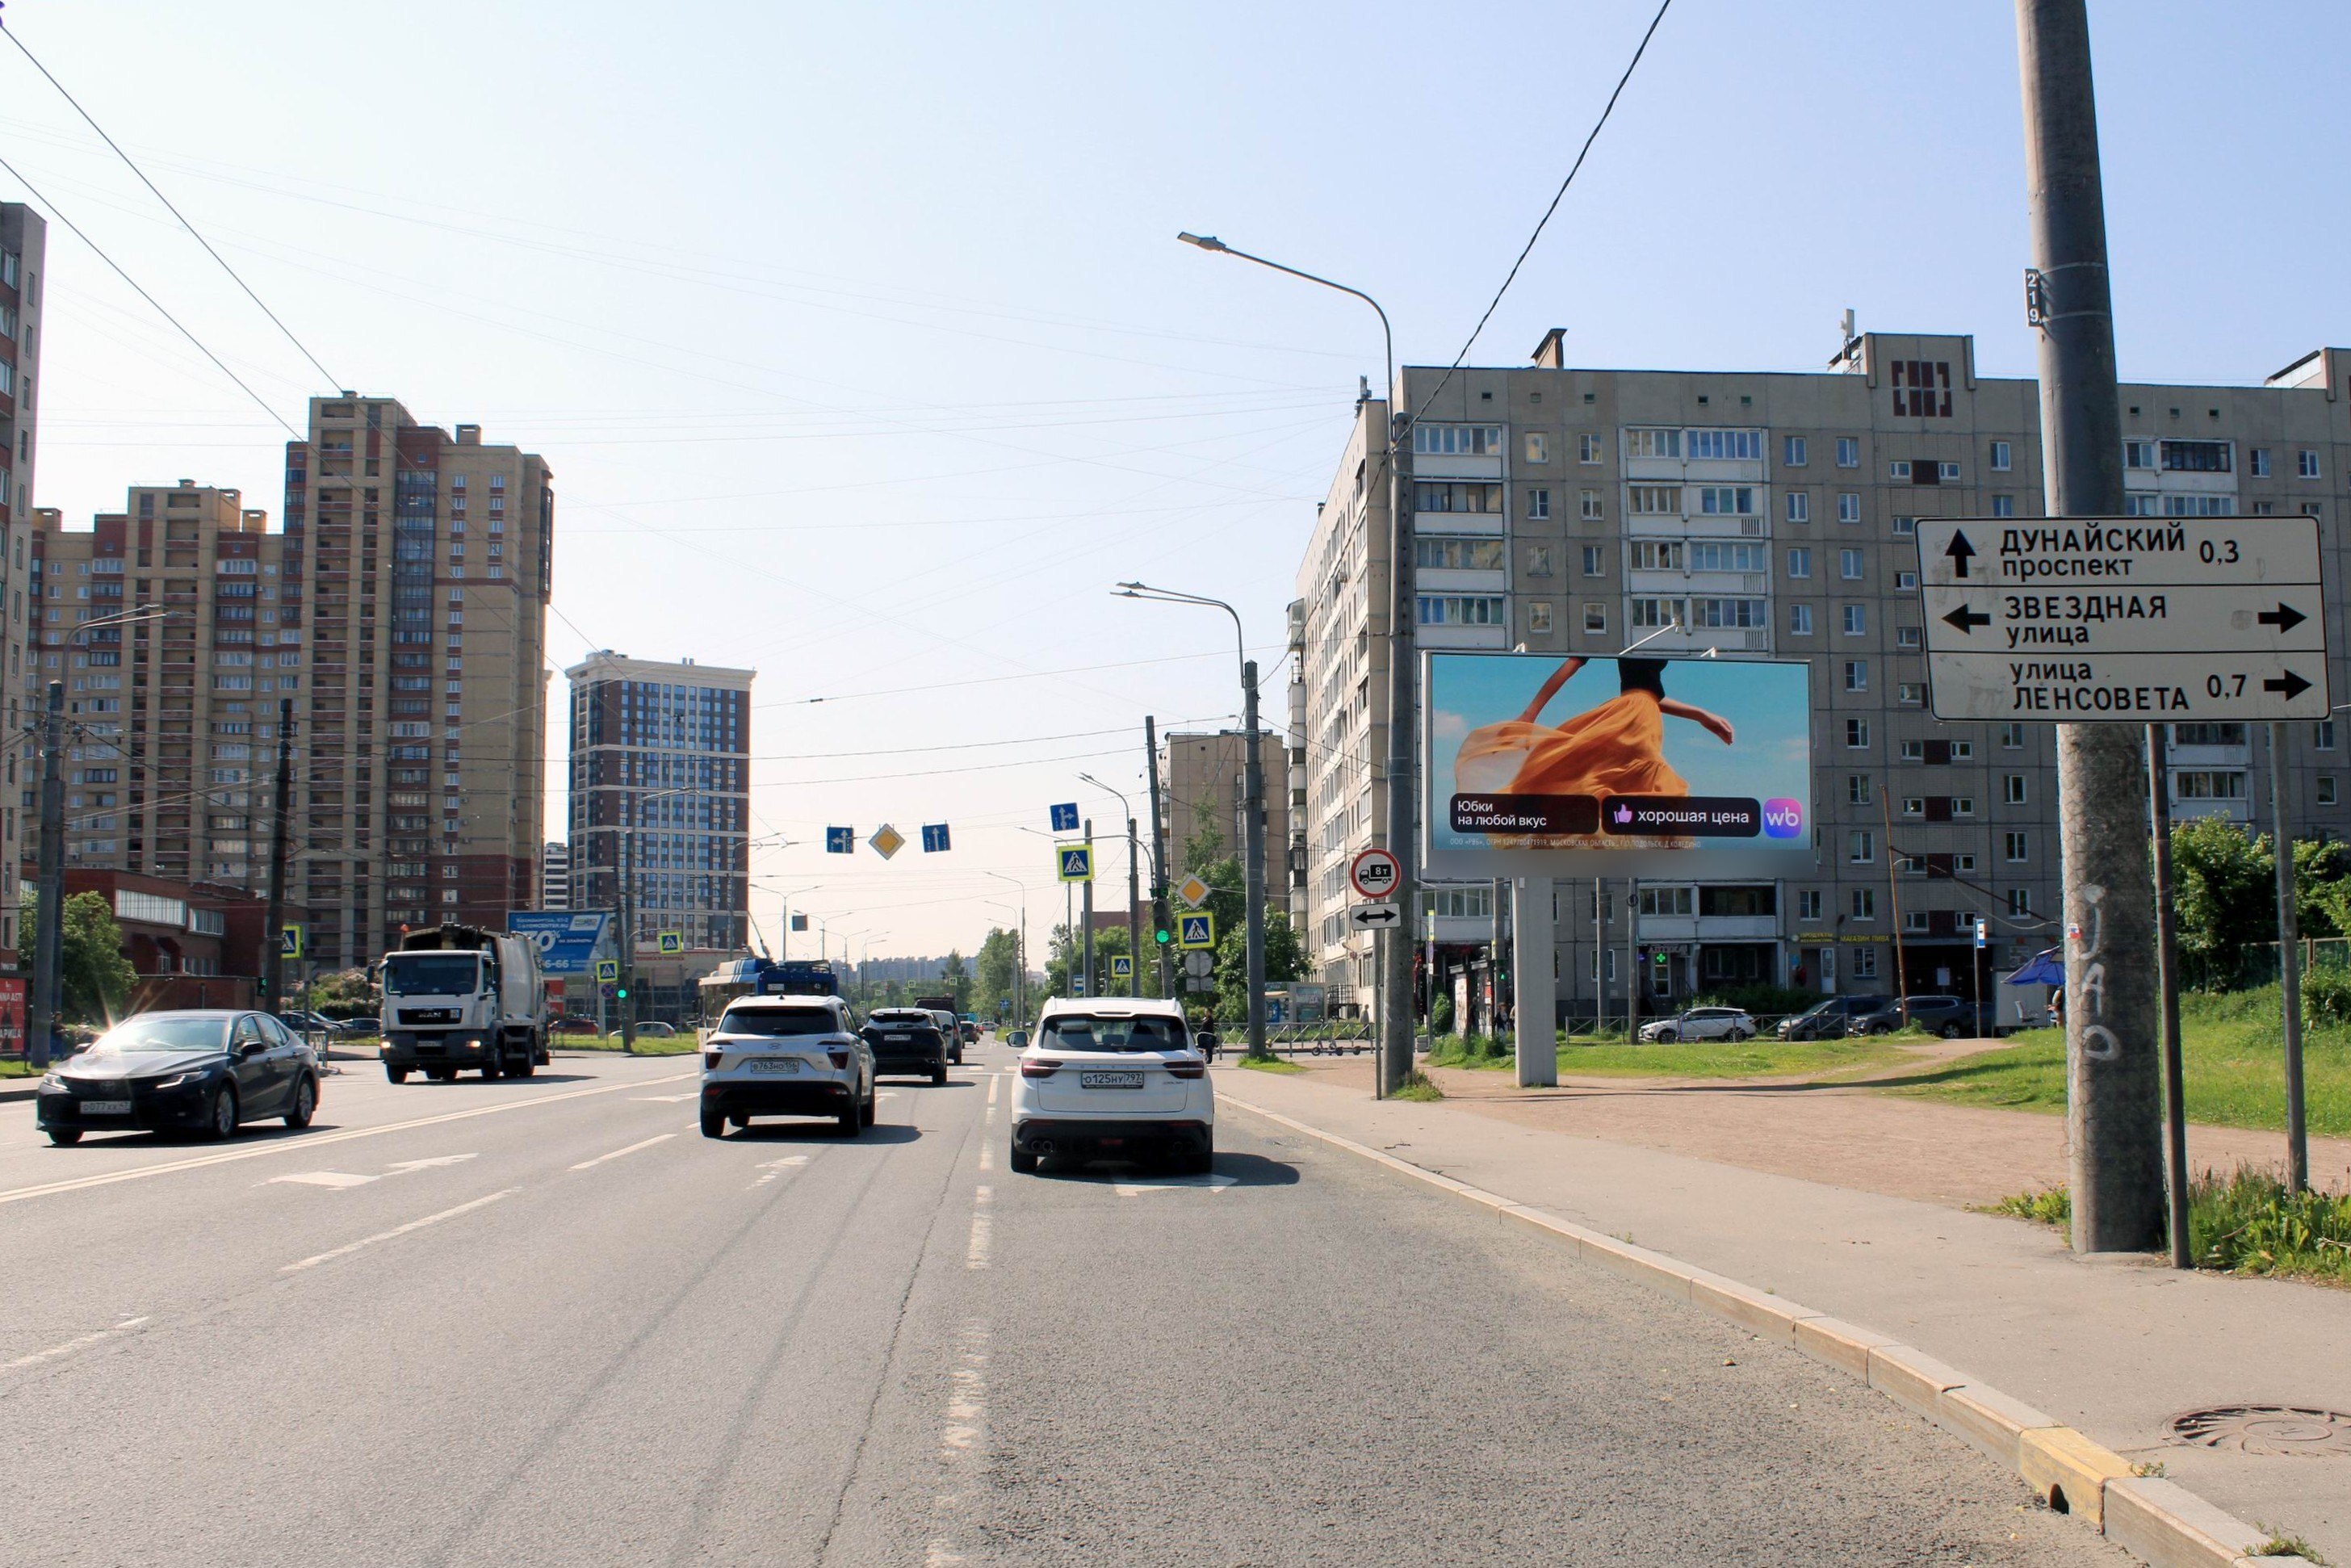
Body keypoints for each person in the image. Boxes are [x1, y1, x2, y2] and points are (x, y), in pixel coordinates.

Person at [1455, 656, 1736, 848]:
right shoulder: (1622, 626)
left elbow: (1651, 693)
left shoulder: (1653, 630)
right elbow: (1573, 663)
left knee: (1610, 783)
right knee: (1652, 786)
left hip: (1642, 713)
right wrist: (1530, 715)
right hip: (1634, 716)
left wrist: (1701, 715)